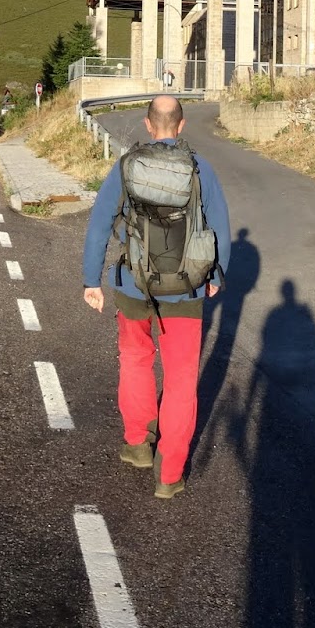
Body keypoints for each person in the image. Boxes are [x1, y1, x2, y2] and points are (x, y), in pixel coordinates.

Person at [82, 94, 230, 499]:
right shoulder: (200, 169)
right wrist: (217, 275)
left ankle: (137, 445)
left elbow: (99, 224)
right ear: (181, 126)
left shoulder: (127, 165)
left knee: (135, 360)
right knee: (181, 379)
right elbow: (220, 227)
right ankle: (169, 475)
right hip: (186, 289)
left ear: (148, 125)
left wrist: (91, 280)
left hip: (134, 285)